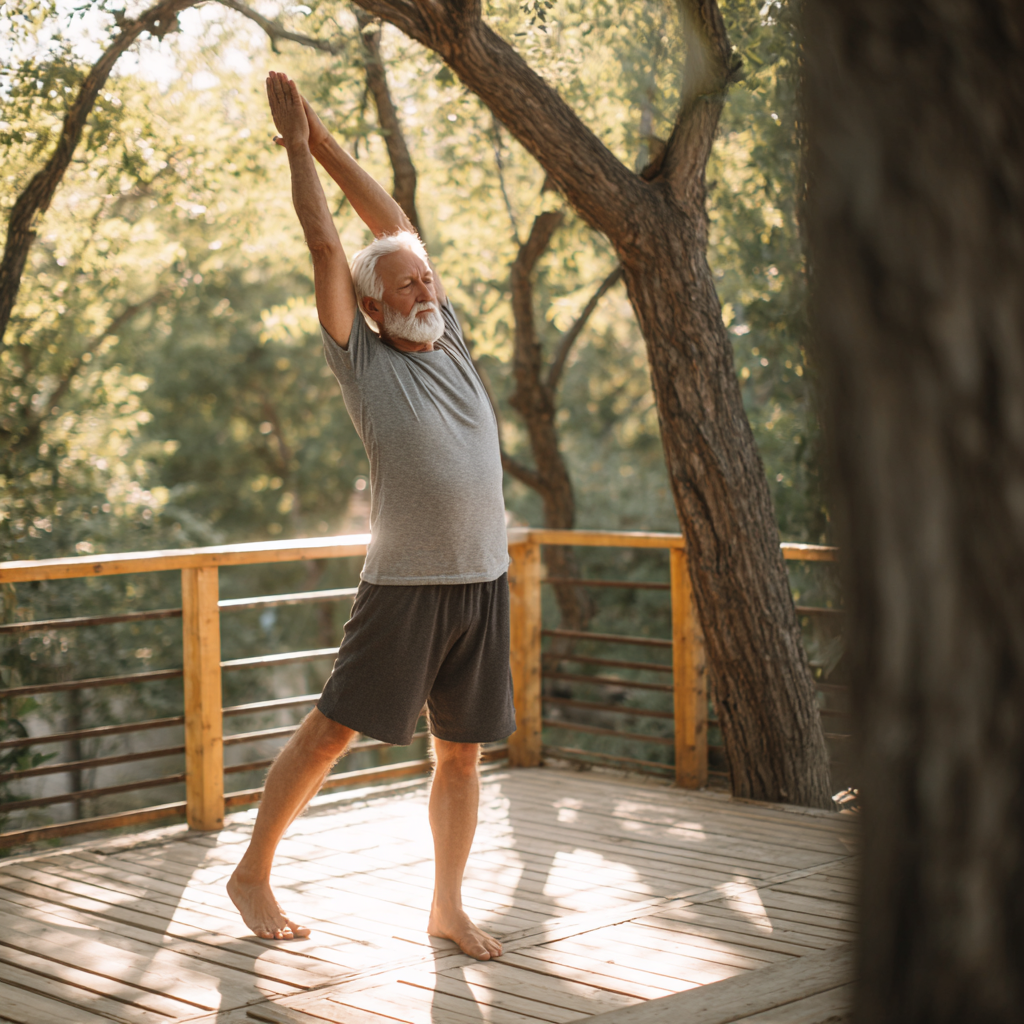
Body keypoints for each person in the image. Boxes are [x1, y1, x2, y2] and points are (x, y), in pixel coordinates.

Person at [226, 71, 515, 962]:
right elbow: (328, 241)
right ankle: (252, 871)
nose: (424, 285)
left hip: (484, 580)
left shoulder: (447, 332)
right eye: (406, 282)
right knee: (331, 732)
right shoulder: (367, 360)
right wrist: (295, 150)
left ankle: (446, 906)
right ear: (375, 307)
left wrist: (325, 134)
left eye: (426, 276)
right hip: (408, 586)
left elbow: (389, 223)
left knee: (460, 755)